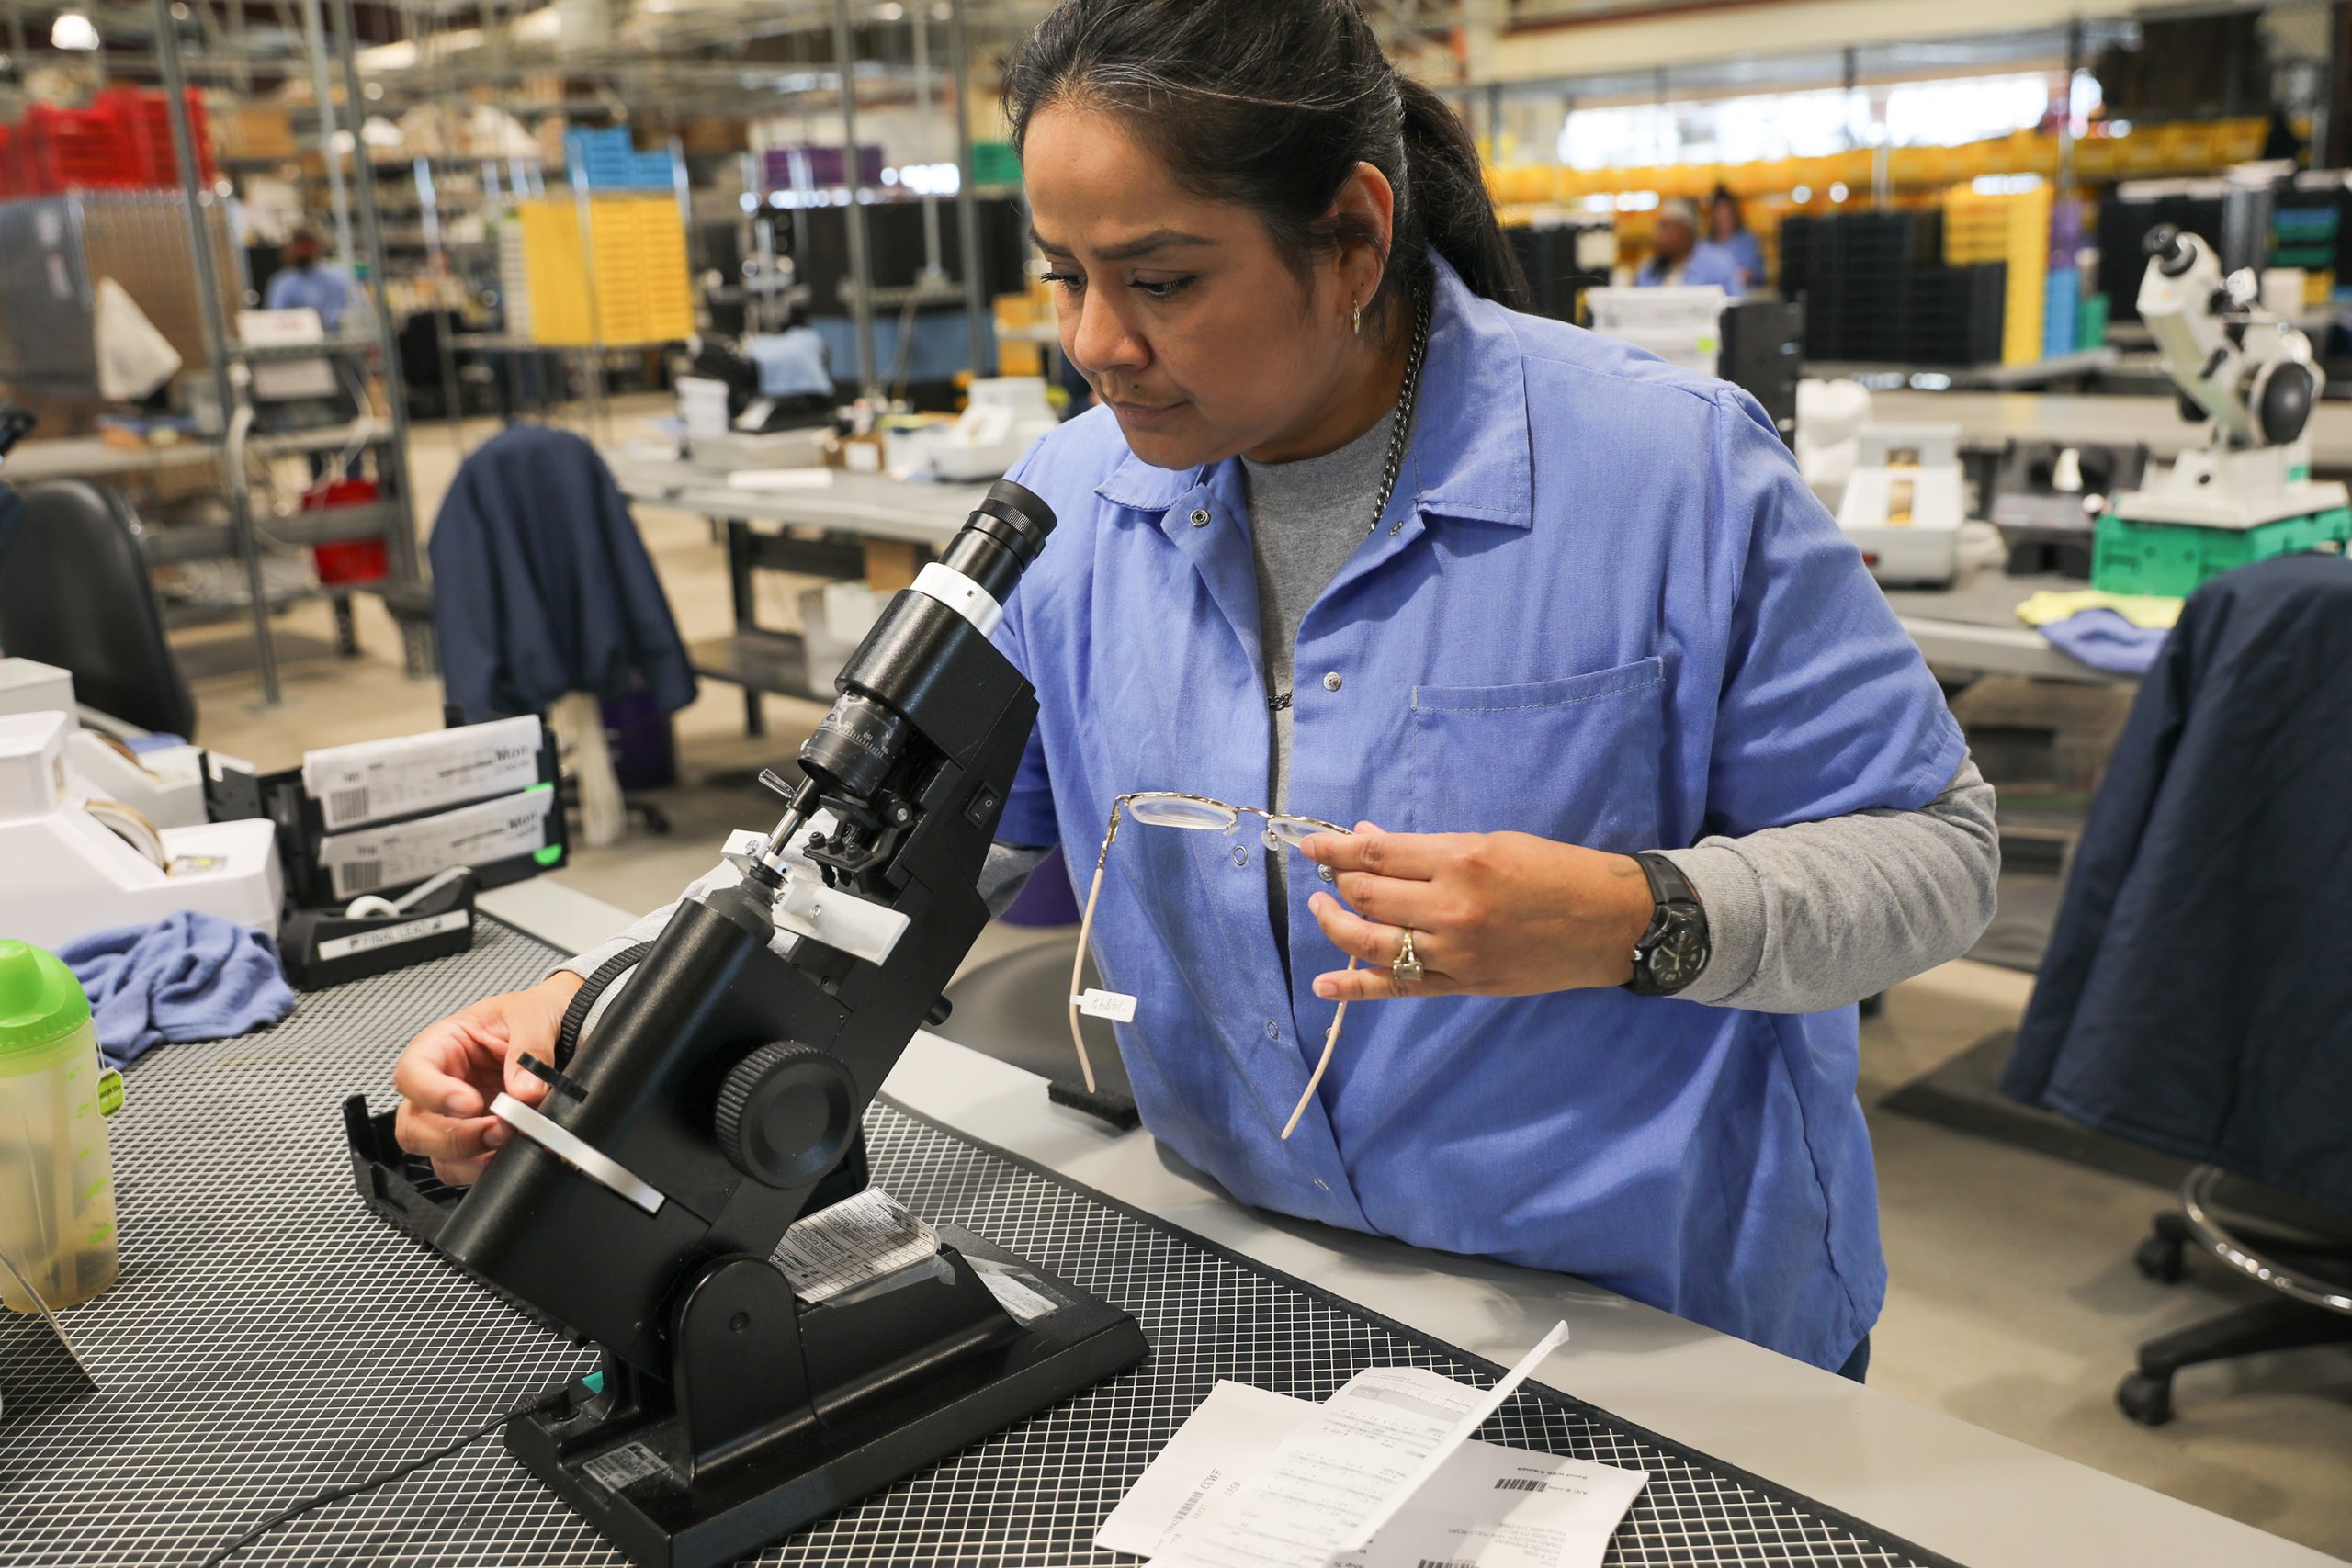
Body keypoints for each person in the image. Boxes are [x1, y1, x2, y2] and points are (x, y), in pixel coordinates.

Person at [391, 0, 1996, 1382]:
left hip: (1658, 1326)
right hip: (1268, 1288)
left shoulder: (1667, 474)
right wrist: (599, 1020)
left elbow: (1938, 852)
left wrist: (1636, 915)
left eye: (1160, 278)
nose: (1098, 343)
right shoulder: (1078, 507)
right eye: (1068, 274)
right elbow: (875, 867)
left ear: (1356, 236)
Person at [1634, 197, 1744, 293]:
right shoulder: (1649, 270)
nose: (1658, 235)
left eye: (1665, 227)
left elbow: (1735, 310)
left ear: (1686, 230)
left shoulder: (1718, 265)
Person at [263, 224, 353, 333]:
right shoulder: (283, 283)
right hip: (301, 343)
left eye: (308, 247)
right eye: (301, 247)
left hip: (339, 341)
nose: (304, 252)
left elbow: (357, 312)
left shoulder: (338, 277)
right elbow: (276, 320)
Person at [1709, 183, 1767, 292]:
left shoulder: (1748, 242)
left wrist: (1748, 275)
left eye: (1727, 214)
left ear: (1735, 215)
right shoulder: (1706, 246)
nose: (1723, 219)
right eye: (1720, 214)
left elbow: (1759, 273)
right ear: (1713, 218)